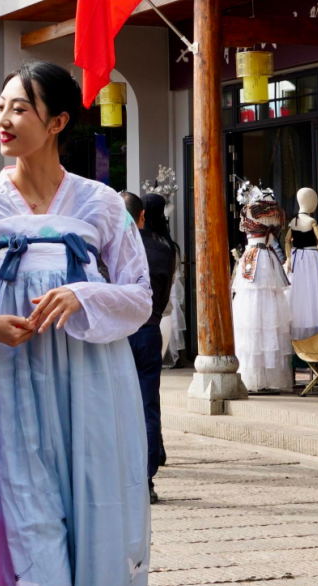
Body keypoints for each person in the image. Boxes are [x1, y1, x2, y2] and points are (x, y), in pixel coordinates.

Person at [0, 61, 152, 586]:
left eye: (20, 108)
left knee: (93, 491)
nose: (4, 119)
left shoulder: (102, 203)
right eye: (0, 107)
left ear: (57, 122)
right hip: (7, 377)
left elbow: (139, 296)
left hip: (90, 378)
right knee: (19, 498)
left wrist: (81, 294)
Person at [122, 192, 175, 505]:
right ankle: (146, 478)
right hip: (150, 328)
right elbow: (164, 291)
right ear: (142, 215)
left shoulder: (112, 248)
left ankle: (121, 474)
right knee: (147, 406)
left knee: (115, 406)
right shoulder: (165, 248)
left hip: (120, 333)